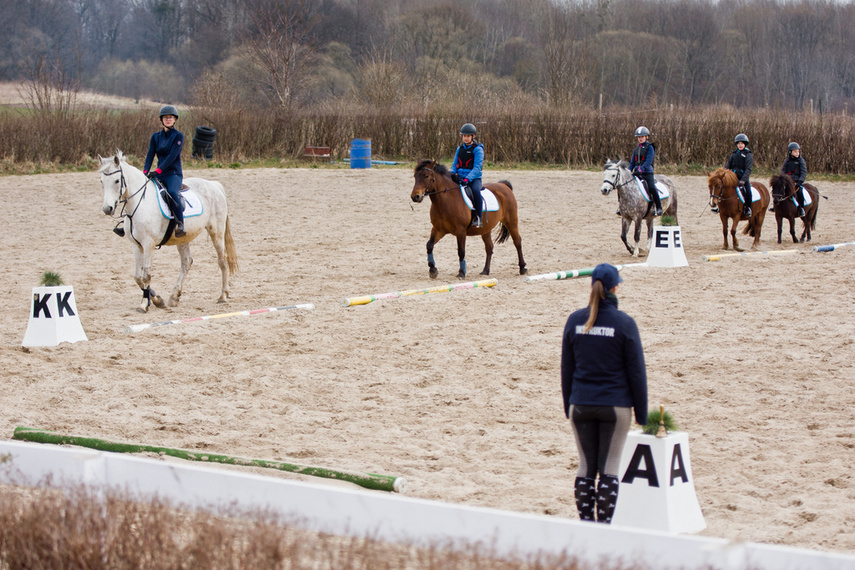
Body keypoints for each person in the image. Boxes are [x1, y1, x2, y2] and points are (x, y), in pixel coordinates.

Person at [560, 263, 648, 524]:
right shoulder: (624, 323)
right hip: (614, 406)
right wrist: (641, 415)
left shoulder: (575, 321)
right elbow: (637, 373)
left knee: (586, 468)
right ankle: (604, 529)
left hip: (580, 403)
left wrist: (570, 405)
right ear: (615, 288)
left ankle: (587, 526)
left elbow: (567, 369)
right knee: (609, 469)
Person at [144, 105, 186, 237]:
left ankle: (180, 224)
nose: (168, 120)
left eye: (171, 118)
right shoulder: (155, 137)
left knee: (172, 192)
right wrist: (145, 172)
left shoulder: (178, 136)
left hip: (173, 174)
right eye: (166, 118)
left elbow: (171, 157)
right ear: (161, 120)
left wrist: (157, 171)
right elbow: (150, 155)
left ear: (175, 120)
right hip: (159, 174)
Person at [450, 123, 484, 228]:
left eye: (468, 136)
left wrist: (468, 179)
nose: (465, 138)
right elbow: (455, 164)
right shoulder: (459, 149)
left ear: (473, 136)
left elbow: (477, 167)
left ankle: (478, 217)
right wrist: (451, 173)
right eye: (464, 136)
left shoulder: (478, 149)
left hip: (474, 179)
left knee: (475, 191)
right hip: (460, 177)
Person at [628, 126, 662, 216]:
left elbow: (648, 161)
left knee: (651, 187)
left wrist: (641, 169)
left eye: (642, 137)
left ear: (646, 137)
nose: (640, 138)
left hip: (647, 173)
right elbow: (632, 162)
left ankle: (659, 207)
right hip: (637, 173)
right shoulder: (636, 149)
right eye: (639, 137)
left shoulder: (650, 147)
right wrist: (628, 171)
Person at [724, 133, 754, 218]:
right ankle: (720, 207)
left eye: (742, 143)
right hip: (733, 178)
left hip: (742, 178)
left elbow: (748, 169)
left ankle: (748, 208)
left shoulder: (748, 155)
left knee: (748, 191)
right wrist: (725, 175)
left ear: (745, 144)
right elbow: (727, 166)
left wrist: (743, 180)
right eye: (738, 143)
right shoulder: (733, 154)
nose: (740, 145)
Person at [781, 142, 808, 218]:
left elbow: (803, 172)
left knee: (799, 192)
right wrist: (783, 178)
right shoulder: (787, 161)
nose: (797, 153)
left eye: (798, 151)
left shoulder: (801, 161)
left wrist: (800, 181)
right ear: (790, 152)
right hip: (788, 181)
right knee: (779, 190)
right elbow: (783, 171)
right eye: (795, 151)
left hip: (797, 181)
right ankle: (777, 207)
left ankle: (801, 208)